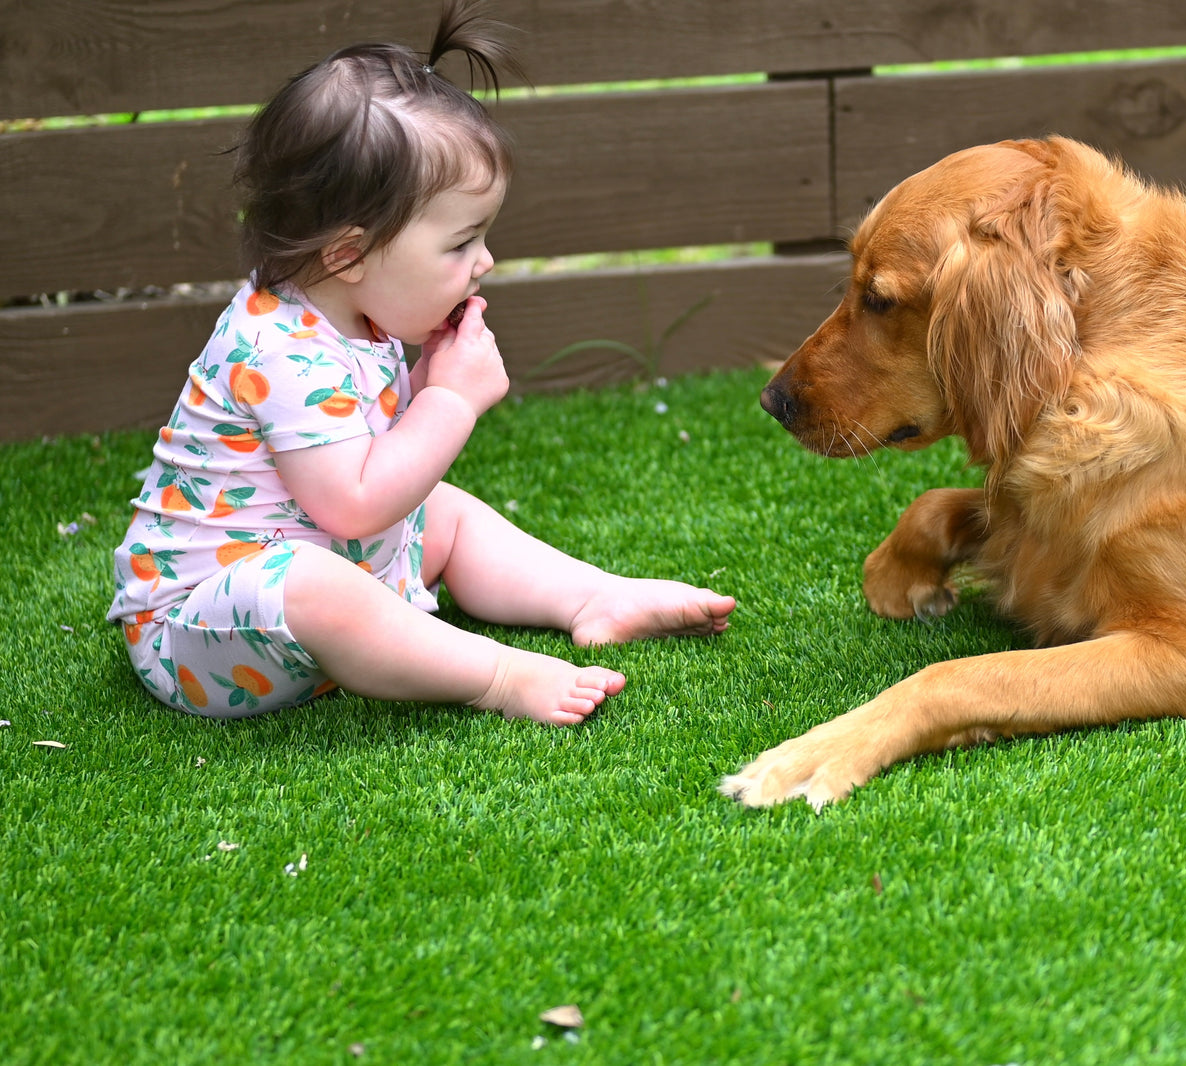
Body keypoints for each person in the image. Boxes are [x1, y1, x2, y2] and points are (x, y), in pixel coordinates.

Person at [107, 0, 735, 725]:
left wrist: (420, 383)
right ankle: (496, 676)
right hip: (204, 633)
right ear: (347, 254)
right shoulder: (276, 350)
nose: (485, 262)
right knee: (312, 577)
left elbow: (360, 448)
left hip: (319, 573)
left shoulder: (347, 314)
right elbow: (353, 501)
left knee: (442, 511)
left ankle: (591, 594)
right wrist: (451, 403)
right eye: (459, 244)